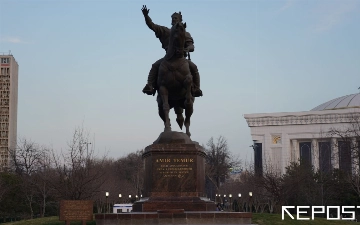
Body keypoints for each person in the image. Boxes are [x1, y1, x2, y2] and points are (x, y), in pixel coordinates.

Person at [141, 5, 203, 97]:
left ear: (180, 20)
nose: (174, 19)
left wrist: (186, 49)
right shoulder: (165, 31)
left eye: (176, 18)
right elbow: (152, 25)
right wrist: (146, 16)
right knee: (155, 66)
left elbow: (191, 46)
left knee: (194, 67)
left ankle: (196, 88)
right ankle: (150, 86)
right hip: (168, 58)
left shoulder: (185, 33)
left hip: (181, 58)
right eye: (173, 18)